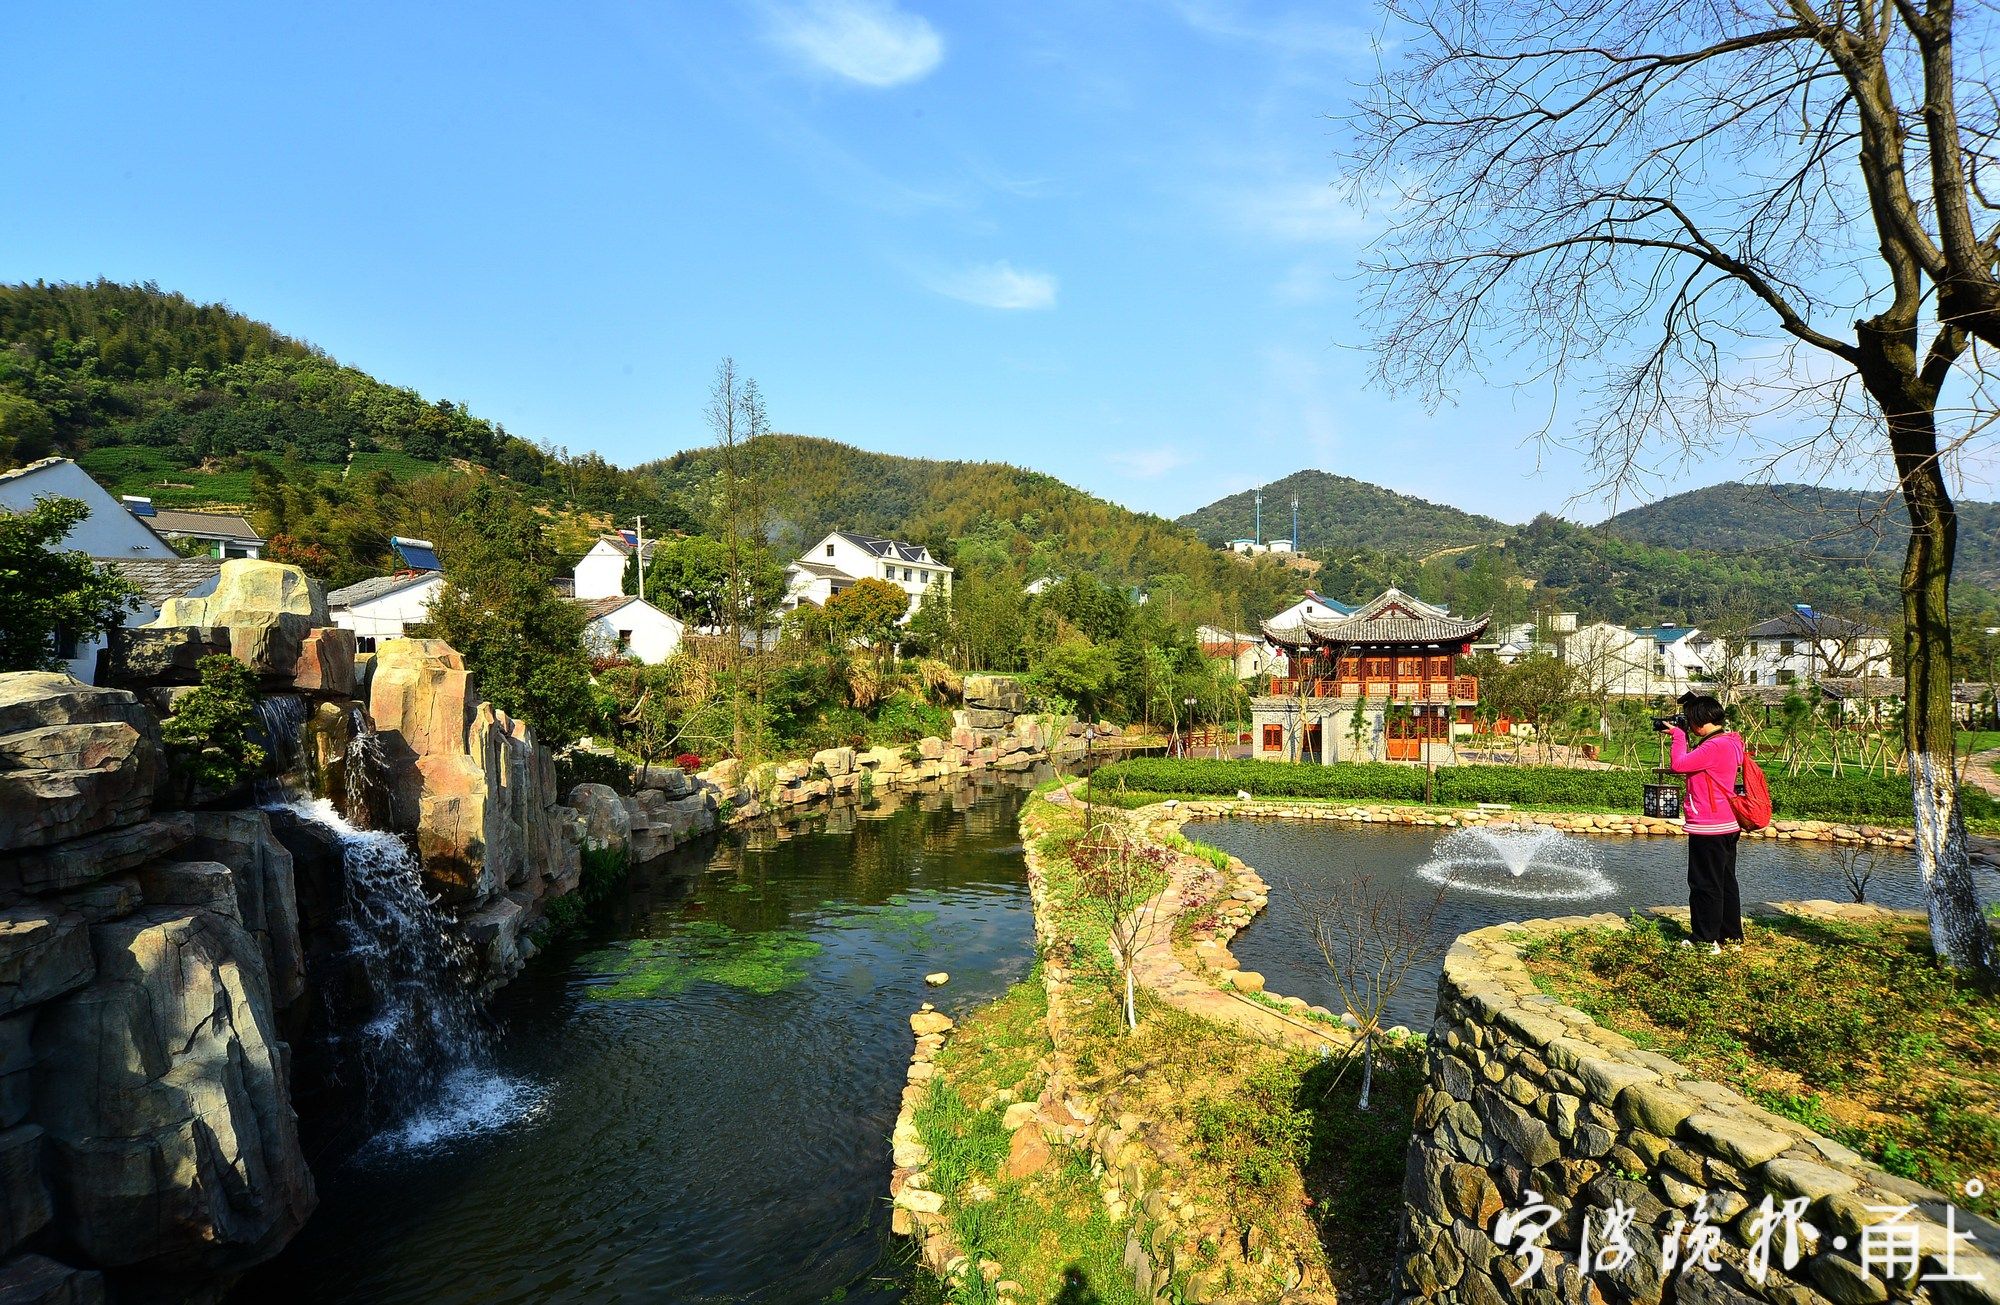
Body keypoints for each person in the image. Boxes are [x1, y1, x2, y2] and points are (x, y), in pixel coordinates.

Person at [1657, 694, 1746, 953]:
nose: (1688, 724)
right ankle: (1730, 937)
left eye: (1690, 718)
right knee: (1725, 881)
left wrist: (1678, 736)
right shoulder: (1730, 742)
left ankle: (1705, 940)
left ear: (1702, 720)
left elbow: (1679, 764)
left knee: (1704, 884)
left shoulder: (1713, 747)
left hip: (1709, 825)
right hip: (1727, 824)